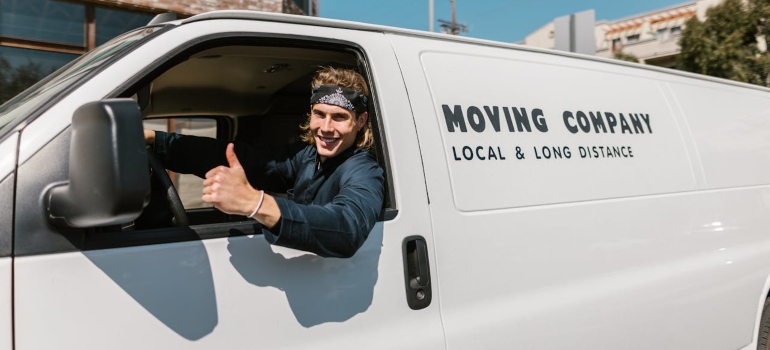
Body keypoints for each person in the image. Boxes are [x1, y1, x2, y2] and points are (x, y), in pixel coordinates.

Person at [145, 67, 384, 258]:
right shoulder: (307, 156)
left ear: (361, 121)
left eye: (339, 117)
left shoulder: (364, 170)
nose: (326, 127)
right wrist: (159, 141)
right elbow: (251, 161)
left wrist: (255, 202)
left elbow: (347, 228)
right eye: (319, 114)